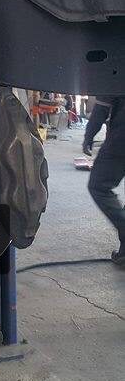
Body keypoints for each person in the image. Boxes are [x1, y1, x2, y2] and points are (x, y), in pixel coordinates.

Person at [84, 97, 125, 266]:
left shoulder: (115, 78)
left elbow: (101, 108)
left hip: (121, 139)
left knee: (98, 186)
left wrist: (89, 137)